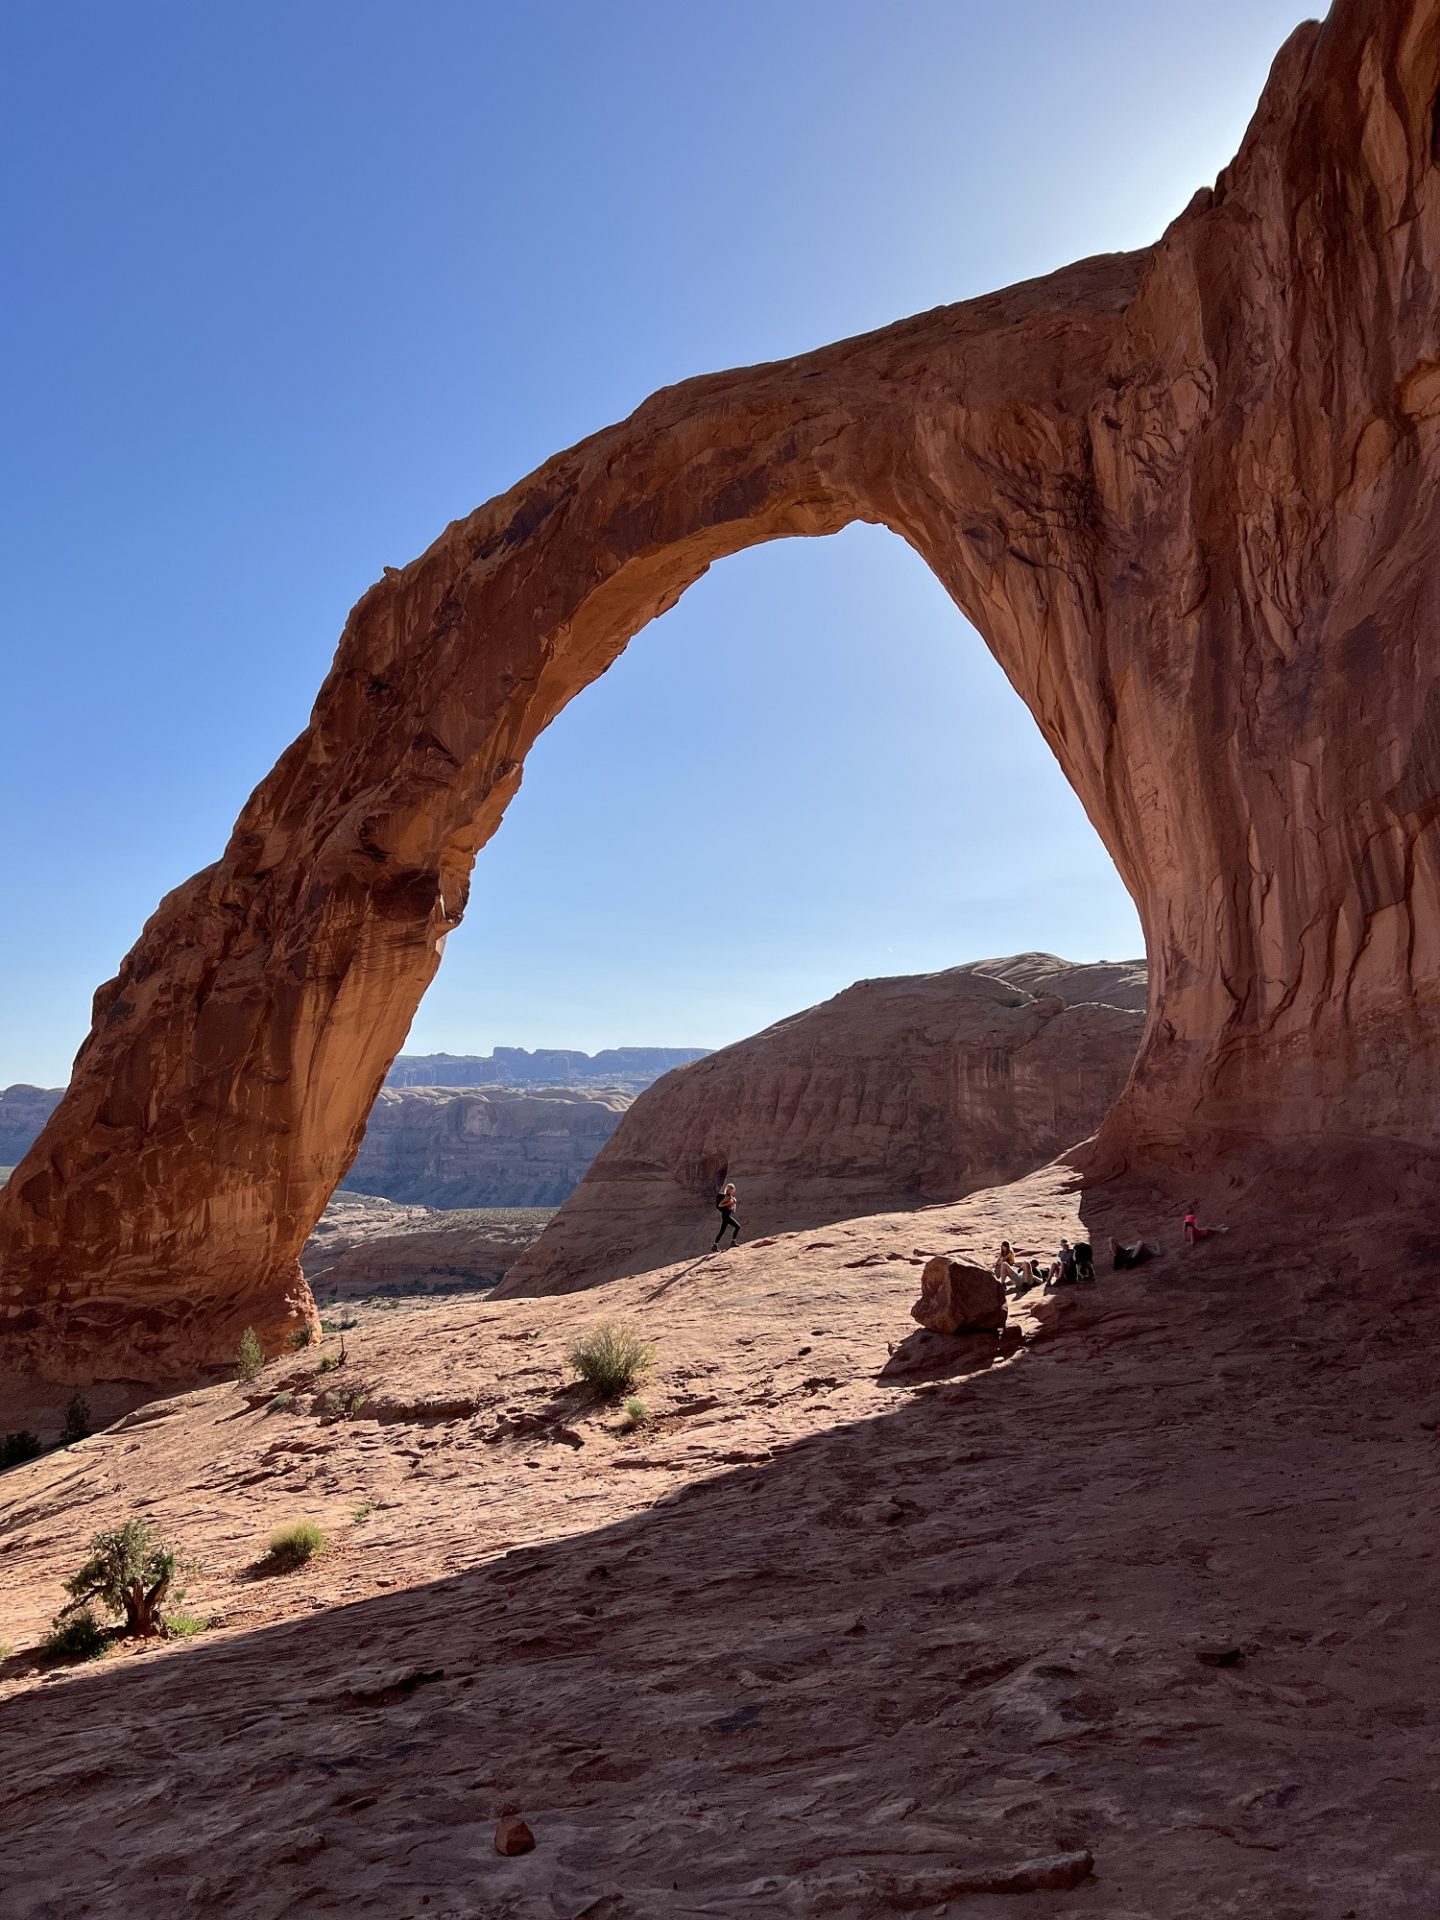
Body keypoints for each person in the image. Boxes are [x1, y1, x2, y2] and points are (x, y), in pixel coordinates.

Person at [713, 1180, 741, 1251]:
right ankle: (733, 1242)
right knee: (737, 1226)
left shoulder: (730, 1198)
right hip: (725, 1216)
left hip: (727, 1215)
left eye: (733, 1190)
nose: (732, 1192)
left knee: (722, 1231)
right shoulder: (725, 1197)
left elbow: (733, 1211)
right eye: (731, 1190)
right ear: (728, 1190)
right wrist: (729, 1203)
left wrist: (734, 1203)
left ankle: (714, 1246)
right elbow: (720, 1205)